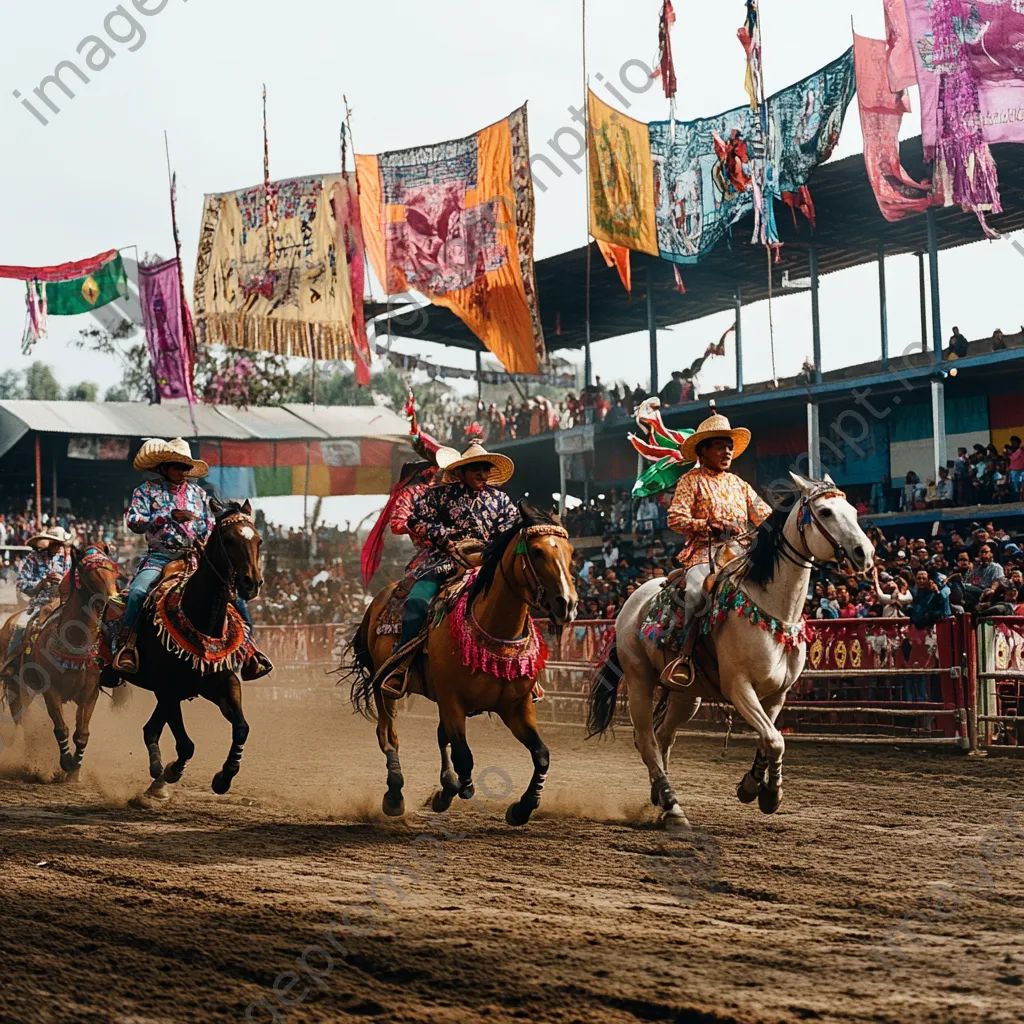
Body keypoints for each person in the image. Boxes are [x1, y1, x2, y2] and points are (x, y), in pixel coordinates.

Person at [113, 438, 272, 679]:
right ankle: (127, 646)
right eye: (178, 466)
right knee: (138, 593)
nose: (183, 472)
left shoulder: (198, 493)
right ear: (163, 467)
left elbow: (209, 526)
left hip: (196, 558)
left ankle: (250, 652)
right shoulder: (145, 491)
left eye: (186, 467)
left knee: (233, 598)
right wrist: (167, 516)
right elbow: (134, 522)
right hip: (160, 557)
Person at [386, 442, 519, 695]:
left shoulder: (501, 499)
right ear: (462, 471)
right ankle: (400, 664)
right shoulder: (437, 495)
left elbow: (509, 527)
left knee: (516, 600)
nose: (482, 475)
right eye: (477, 470)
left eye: (485, 470)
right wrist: (445, 536)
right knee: (417, 601)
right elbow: (417, 521)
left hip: (488, 563)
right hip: (443, 559)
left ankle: (522, 674)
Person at [662, 410, 771, 686]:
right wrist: (709, 525)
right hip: (704, 553)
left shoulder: (739, 483)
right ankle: (684, 655)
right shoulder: (691, 481)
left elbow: (765, 516)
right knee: (697, 590)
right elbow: (674, 519)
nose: (727, 451)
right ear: (703, 450)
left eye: (730, 446)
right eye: (721, 446)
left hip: (741, 552)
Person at [3, 526, 72, 664]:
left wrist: (63, 582)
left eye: (61, 544)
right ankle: (11, 663)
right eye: (56, 543)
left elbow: (76, 584)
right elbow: (21, 583)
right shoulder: (34, 558)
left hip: (64, 605)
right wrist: (41, 583)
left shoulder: (69, 560)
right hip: (39, 604)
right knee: (20, 626)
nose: (59, 547)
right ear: (49, 542)